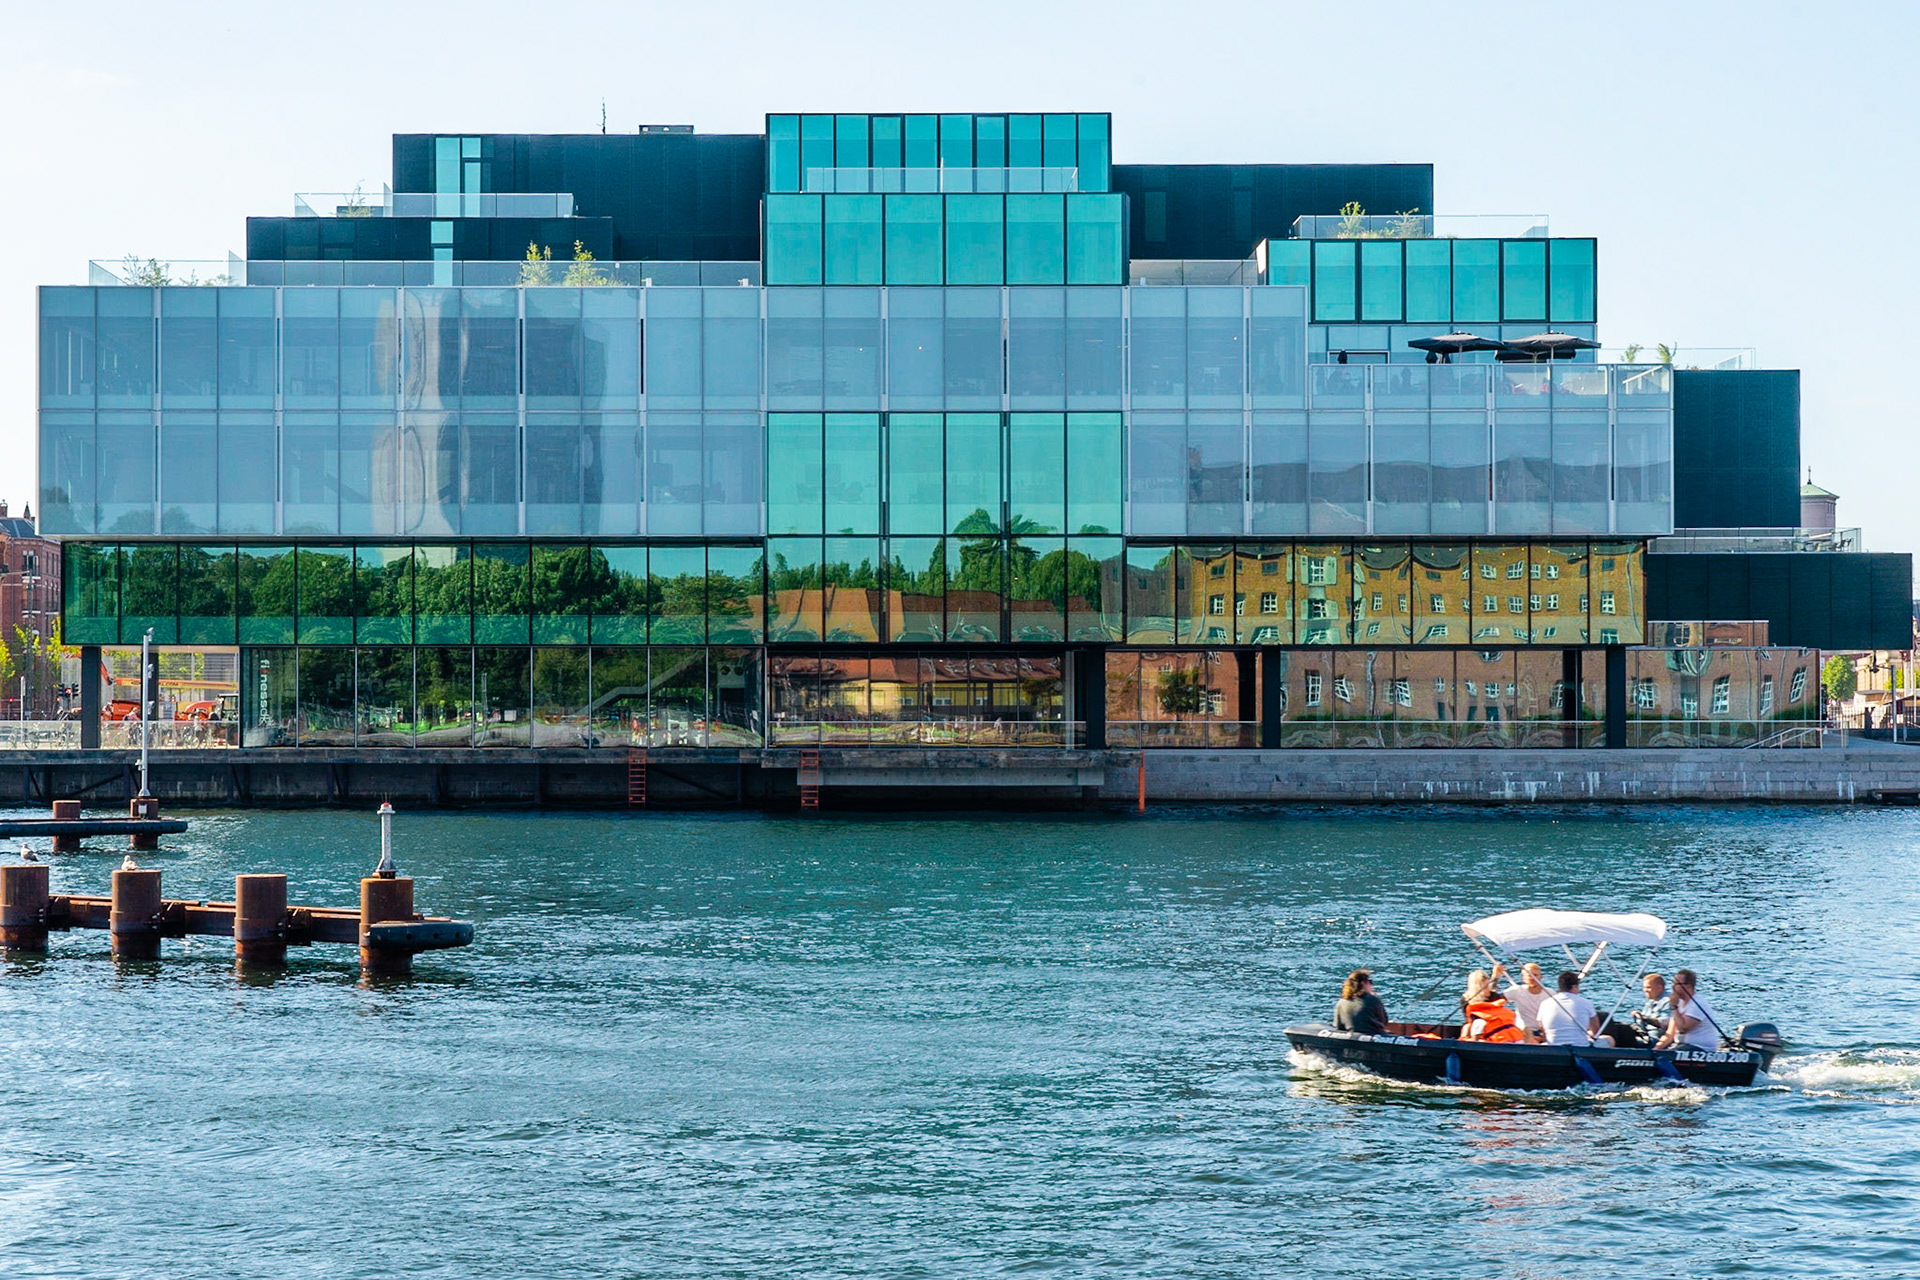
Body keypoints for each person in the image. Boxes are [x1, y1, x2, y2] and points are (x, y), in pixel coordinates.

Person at [1656, 968, 1722, 1052]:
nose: (1673, 987)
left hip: (1699, 1048)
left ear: (1688, 986)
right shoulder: (1678, 1002)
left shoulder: (1697, 1004)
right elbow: (1670, 1034)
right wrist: (1656, 1049)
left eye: (1677, 984)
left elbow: (1683, 1029)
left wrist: (1674, 1007)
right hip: (1682, 1046)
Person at [1536, 970, 1607, 1046]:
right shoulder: (1586, 1003)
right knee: (1608, 1039)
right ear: (1574, 986)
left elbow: (1542, 1030)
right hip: (1580, 1047)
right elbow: (1595, 1031)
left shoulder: (1545, 1003)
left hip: (1554, 1047)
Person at [1460, 971, 1524, 1043]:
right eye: (1485, 987)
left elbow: (1493, 989)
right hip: (1479, 1027)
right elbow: (1468, 1020)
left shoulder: (1492, 996)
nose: (1488, 990)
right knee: (1476, 1023)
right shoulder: (1466, 1000)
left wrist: (1495, 976)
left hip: (1499, 1028)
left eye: (1488, 986)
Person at [1494, 961, 1551, 1041]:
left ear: (1541, 977)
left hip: (1543, 1032)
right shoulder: (1517, 991)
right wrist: (1495, 977)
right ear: (1523, 978)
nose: (1532, 978)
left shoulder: (1550, 993)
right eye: (1529, 975)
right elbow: (1493, 999)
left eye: (1535, 975)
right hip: (1523, 1031)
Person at [1332, 969, 1390, 1035]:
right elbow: (1384, 1021)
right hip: (1371, 1037)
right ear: (1363, 983)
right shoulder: (1372, 999)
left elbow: (1337, 1024)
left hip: (1348, 1038)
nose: (1371, 985)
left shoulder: (1341, 1002)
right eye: (1370, 982)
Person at [1630, 973, 1671, 1042]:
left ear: (1659, 988)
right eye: (1644, 987)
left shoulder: (1669, 1001)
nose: (1645, 990)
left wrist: (1644, 1018)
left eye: (1648, 987)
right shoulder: (1650, 1002)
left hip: (1655, 1038)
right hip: (1643, 1033)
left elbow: (1665, 1023)